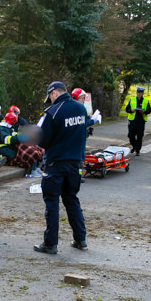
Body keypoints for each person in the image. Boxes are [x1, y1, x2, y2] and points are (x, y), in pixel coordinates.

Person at [33, 82, 89, 255]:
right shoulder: (81, 109)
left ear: (54, 93)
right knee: (71, 199)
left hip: (56, 164)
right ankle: (81, 239)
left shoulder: (52, 112)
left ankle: (50, 244)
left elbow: (41, 140)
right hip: (75, 163)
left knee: (52, 203)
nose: (49, 100)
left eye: (49, 97)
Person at [125, 86, 151, 156]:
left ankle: (137, 150)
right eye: (138, 92)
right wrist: (131, 110)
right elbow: (127, 109)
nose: (139, 94)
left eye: (141, 93)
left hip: (141, 121)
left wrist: (144, 112)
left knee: (140, 136)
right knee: (131, 135)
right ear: (136, 93)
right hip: (132, 121)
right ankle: (134, 146)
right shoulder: (132, 100)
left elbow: (149, 111)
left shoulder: (146, 101)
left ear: (143, 93)